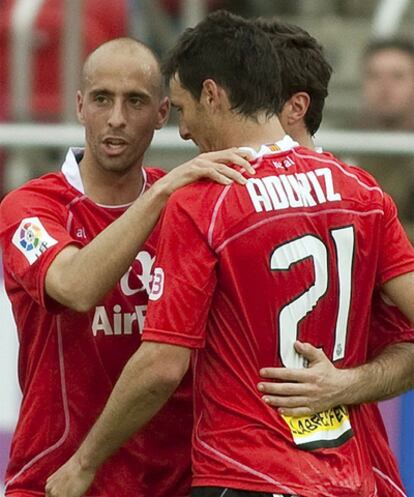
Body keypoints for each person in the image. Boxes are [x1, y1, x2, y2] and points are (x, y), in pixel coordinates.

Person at [44, 11, 414, 497]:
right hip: (346, 478)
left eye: (181, 109)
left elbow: (161, 366)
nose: (181, 132)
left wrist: (84, 463)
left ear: (213, 95)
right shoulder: (361, 189)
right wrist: (346, 385)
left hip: (244, 473)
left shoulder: (206, 201)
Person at [0, 36, 256, 497]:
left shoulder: (192, 206)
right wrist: (160, 195)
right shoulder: (29, 208)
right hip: (59, 477)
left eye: (134, 101)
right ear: (80, 106)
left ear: (162, 115)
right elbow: (75, 287)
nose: (116, 118)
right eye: (102, 99)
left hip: (179, 479)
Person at [254, 18, 414, 497]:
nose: (384, 89)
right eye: (375, 76)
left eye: (399, 77)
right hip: (260, 448)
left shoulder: (360, 195)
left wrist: (345, 386)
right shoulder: (345, 168)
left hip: (343, 444)